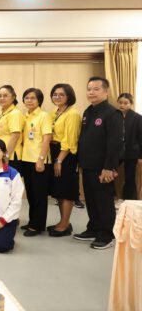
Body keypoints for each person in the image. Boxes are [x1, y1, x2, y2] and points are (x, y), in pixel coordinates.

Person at [74, 77, 123, 250]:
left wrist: (109, 167)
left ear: (106, 91)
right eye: (89, 89)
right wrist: (81, 162)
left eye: (96, 89)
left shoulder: (112, 113)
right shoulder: (88, 111)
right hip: (88, 165)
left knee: (103, 201)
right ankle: (93, 228)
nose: (91, 92)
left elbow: (115, 143)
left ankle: (106, 235)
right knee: (91, 200)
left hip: (103, 167)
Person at [47, 83, 82, 237]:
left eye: (61, 94)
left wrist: (59, 160)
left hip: (66, 155)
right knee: (59, 190)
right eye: (55, 94)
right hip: (54, 151)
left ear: (69, 96)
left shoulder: (72, 114)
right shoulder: (54, 112)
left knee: (66, 190)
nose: (57, 97)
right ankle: (63, 222)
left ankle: (65, 224)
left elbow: (70, 141)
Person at [20, 88, 52, 237]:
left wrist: (41, 159)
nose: (29, 100)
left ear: (39, 100)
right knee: (31, 194)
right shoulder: (25, 116)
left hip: (39, 160)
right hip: (26, 159)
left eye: (33, 98)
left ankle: (37, 226)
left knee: (39, 195)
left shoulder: (44, 116)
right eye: (26, 98)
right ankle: (32, 221)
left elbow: (47, 138)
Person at [116, 93, 142, 200]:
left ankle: (128, 200)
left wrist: (140, 156)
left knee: (129, 178)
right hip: (116, 152)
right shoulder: (113, 116)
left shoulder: (138, 118)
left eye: (126, 103)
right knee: (110, 173)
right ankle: (113, 197)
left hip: (131, 153)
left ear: (131, 104)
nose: (122, 105)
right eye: (120, 102)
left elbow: (141, 138)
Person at [0, 85, 25, 171]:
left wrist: (6, 156)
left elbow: (15, 136)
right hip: (1, 153)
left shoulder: (15, 113)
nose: (2, 98)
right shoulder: (1, 112)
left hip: (11, 156)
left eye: (5, 96)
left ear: (13, 97)